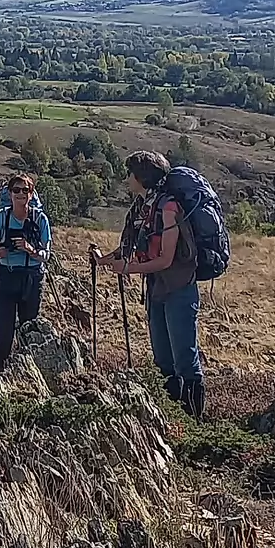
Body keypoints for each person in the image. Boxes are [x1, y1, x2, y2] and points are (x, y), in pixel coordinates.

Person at [92, 150, 205, 419]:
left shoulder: (168, 209)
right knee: (162, 360)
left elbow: (165, 259)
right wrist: (102, 260)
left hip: (179, 289)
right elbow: (128, 248)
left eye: (130, 174)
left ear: (142, 177)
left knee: (184, 360)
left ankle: (193, 422)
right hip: (157, 290)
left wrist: (128, 269)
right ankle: (173, 418)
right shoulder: (142, 208)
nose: (127, 179)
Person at [0, 172, 51, 370]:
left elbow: (46, 254)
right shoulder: (1, 218)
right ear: (10, 193)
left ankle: (28, 369)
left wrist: (30, 249)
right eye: (16, 190)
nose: (21, 194)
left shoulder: (40, 219)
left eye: (26, 190)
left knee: (29, 327)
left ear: (31, 194)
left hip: (32, 277)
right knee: (3, 327)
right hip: (7, 275)